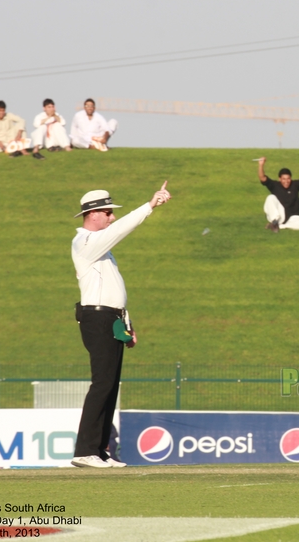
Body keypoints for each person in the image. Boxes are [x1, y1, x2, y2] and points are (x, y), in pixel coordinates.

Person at [70, 182, 171, 468]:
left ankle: (100, 450)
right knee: (102, 382)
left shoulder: (102, 247)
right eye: (108, 212)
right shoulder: (85, 242)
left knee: (111, 384)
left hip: (112, 319)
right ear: (93, 214)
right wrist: (149, 206)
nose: (112, 217)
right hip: (96, 318)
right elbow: (119, 230)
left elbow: (114, 289)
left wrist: (127, 324)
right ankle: (84, 451)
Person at [257, 157, 299, 231]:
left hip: (293, 217)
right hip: (279, 216)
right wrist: (261, 165)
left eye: (288, 178)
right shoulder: (275, 185)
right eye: (284, 179)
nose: (286, 181)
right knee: (270, 197)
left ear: (290, 178)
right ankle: (275, 222)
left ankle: (279, 226)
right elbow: (262, 178)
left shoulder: (295, 185)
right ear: (280, 179)